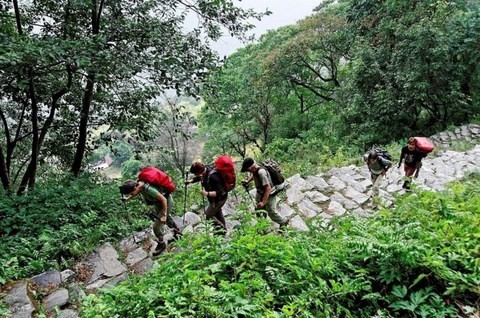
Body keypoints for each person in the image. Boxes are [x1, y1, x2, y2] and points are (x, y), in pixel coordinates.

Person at [120, 179, 182, 256]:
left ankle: (161, 244)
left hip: (166, 202)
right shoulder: (138, 186)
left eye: (132, 192)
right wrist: (127, 199)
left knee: (156, 226)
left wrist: (164, 215)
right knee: (167, 219)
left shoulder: (149, 189)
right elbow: (135, 193)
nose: (132, 194)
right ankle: (177, 232)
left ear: (135, 187)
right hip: (158, 203)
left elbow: (164, 199)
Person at [240, 157, 288, 228]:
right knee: (258, 210)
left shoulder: (261, 172)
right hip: (261, 192)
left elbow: (268, 188)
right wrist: (248, 181)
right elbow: (254, 175)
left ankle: (283, 222)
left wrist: (263, 202)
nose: (248, 171)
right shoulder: (256, 169)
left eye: (248, 170)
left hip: (269, 194)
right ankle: (262, 226)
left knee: (271, 211)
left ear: (252, 167)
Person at [185, 162, 228, 235]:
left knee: (208, 215)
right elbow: (199, 177)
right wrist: (191, 181)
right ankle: (222, 232)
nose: (195, 175)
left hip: (220, 199)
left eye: (196, 173)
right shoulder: (205, 170)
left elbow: (220, 192)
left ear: (199, 172)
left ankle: (221, 228)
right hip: (214, 199)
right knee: (217, 213)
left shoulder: (213, 176)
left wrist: (207, 193)